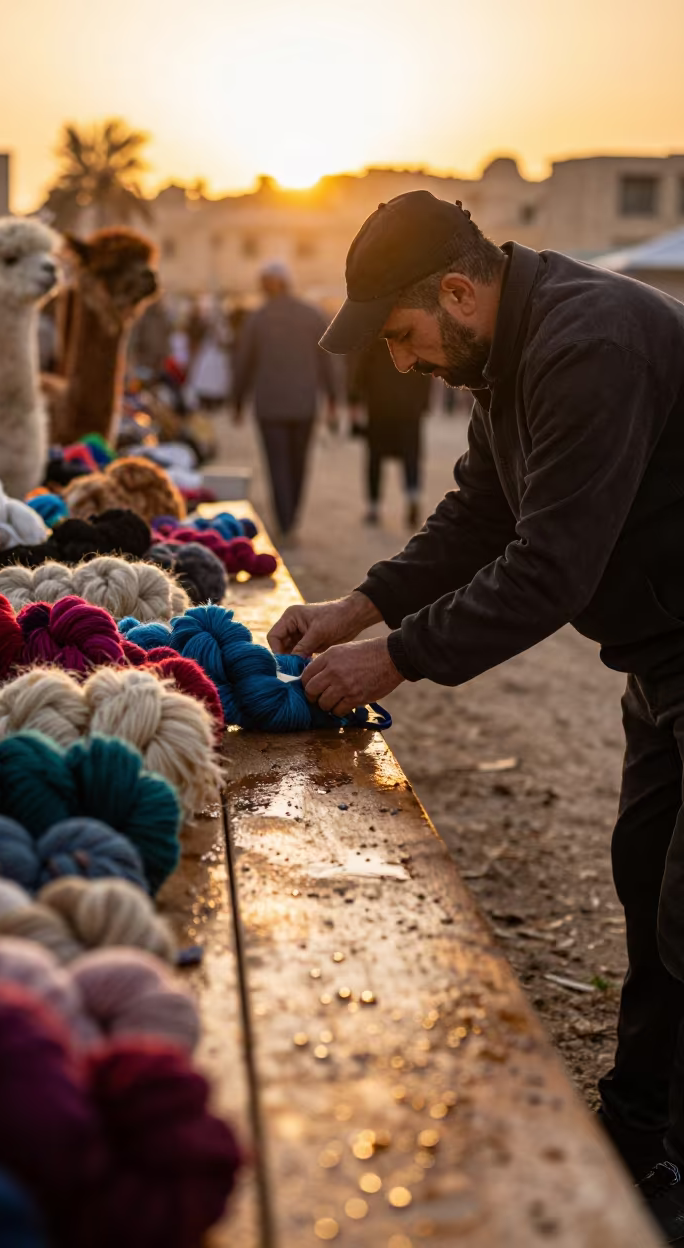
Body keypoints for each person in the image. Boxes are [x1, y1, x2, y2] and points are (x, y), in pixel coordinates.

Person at [266, 189, 684, 1242]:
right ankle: (640, 1146)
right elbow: (480, 514)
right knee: (648, 892)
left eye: (404, 338)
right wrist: (357, 607)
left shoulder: (588, 346)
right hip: (663, 664)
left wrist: (393, 661)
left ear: (456, 290)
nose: (402, 365)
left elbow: (548, 566)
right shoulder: (506, 351)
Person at [233, 260, 338, 540]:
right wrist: (333, 398)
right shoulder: (312, 315)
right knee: (298, 462)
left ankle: (285, 519)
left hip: (270, 406)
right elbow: (329, 361)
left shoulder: (258, 317)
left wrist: (237, 402)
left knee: (277, 462)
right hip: (304, 404)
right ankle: (290, 516)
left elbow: (243, 363)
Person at [348, 336, 432, 528]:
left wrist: (354, 410)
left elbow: (359, 379)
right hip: (408, 412)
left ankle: (373, 507)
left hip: (379, 411)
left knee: (375, 459)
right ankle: (412, 497)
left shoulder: (373, 345)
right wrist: (423, 405)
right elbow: (426, 375)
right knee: (411, 458)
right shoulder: (413, 342)